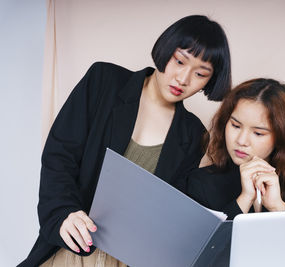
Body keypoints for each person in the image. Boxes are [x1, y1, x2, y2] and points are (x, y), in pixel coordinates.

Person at [19, 15, 231, 267]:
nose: (183, 79)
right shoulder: (104, 81)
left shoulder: (193, 133)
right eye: (179, 61)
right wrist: (63, 213)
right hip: (72, 247)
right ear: (166, 50)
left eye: (200, 73)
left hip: (130, 260)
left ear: (211, 80)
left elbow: (171, 211)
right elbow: (60, 155)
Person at [185, 78, 285, 220]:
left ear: (282, 136)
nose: (241, 141)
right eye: (235, 126)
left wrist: (278, 208)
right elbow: (206, 246)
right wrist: (243, 200)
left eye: (258, 133)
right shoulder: (201, 183)